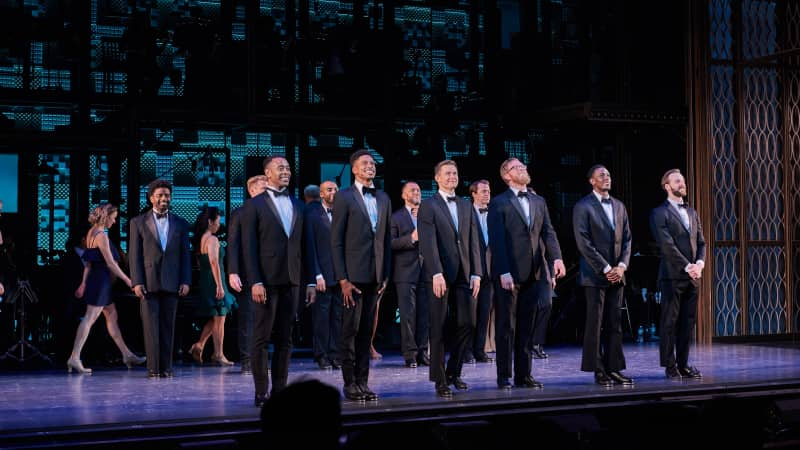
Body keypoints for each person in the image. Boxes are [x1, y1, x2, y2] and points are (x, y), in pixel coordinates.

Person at [488, 159, 564, 390]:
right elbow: (497, 240)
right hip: (509, 272)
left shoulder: (538, 201)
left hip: (535, 271)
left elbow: (548, 232)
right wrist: (503, 271)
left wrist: (556, 258)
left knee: (527, 326)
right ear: (506, 176)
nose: (523, 170)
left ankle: (524, 375)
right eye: (517, 168)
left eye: (524, 167)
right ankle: (504, 376)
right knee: (506, 326)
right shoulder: (499, 202)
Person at [242, 155, 305, 407]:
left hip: (292, 279)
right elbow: (249, 247)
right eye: (281, 168)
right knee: (261, 337)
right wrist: (255, 281)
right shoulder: (254, 205)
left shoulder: (297, 204)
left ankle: (280, 389)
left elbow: (304, 246)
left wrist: (310, 281)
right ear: (267, 173)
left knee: (285, 338)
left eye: (288, 168)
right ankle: (261, 390)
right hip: (265, 281)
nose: (286, 171)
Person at [330, 149, 391, 401]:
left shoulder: (383, 198)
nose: (370, 166)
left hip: (375, 276)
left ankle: (363, 381)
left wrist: (385, 274)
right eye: (365, 163)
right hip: (352, 278)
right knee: (350, 331)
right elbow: (336, 241)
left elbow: (386, 238)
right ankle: (350, 382)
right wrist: (342, 279)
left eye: (373, 163)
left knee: (367, 332)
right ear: (354, 169)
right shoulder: (344, 197)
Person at [418, 160, 482, 398]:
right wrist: (435, 272)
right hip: (440, 275)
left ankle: (454, 371)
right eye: (447, 173)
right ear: (437, 178)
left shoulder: (466, 205)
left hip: (464, 274)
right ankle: (440, 379)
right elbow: (427, 241)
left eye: (455, 173)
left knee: (469, 323)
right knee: (439, 327)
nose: (452, 177)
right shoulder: (428, 205)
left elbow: (474, 240)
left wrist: (477, 272)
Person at [573, 164, 633, 386]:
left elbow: (627, 239)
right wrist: (607, 268)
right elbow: (583, 242)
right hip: (595, 274)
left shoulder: (619, 205)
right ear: (592, 181)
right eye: (601, 175)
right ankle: (598, 369)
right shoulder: (583, 206)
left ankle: (614, 368)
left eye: (608, 174)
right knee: (595, 323)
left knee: (615, 323)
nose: (607, 177)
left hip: (618, 274)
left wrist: (622, 267)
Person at [68, 203, 145, 374]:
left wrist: (83, 283)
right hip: (100, 282)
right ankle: (74, 357)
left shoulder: (91, 233)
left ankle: (126, 354)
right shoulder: (101, 236)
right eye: (114, 217)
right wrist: (127, 280)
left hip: (97, 281)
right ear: (106, 216)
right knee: (89, 318)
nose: (115, 221)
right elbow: (110, 263)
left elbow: (88, 264)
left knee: (111, 315)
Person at [129, 180, 192, 378]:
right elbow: (134, 255)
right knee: (150, 327)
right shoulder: (138, 222)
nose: (164, 198)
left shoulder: (180, 223)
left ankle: (166, 368)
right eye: (160, 195)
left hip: (173, 281)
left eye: (167, 195)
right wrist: (137, 281)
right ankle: (153, 369)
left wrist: (186, 280)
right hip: (148, 281)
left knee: (168, 327)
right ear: (151, 198)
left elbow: (185, 255)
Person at [650, 169, 706, 379]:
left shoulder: (692, 212)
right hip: (672, 276)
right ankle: (670, 366)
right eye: (677, 181)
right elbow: (667, 245)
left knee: (687, 323)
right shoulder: (659, 213)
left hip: (693, 276)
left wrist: (699, 264)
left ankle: (683, 364)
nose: (682, 183)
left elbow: (702, 242)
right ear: (667, 186)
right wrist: (687, 266)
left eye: (682, 180)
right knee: (669, 322)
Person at [228, 175, 268, 374]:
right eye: (263, 188)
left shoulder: (272, 210)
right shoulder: (241, 213)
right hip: (248, 274)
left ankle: (262, 360)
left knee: (266, 320)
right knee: (248, 319)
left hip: (270, 274)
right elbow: (233, 244)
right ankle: (247, 361)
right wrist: (233, 271)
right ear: (252, 191)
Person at [188, 207, 236, 366]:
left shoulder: (201, 239)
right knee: (220, 317)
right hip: (215, 280)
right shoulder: (212, 240)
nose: (219, 225)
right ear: (210, 221)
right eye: (218, 221)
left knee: (216, 316)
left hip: (206, 280)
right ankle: (218, 354)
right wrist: (219, 286)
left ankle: (199, 344)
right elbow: (214, 262)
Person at [390, 181, 429, 368]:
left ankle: (423, 351)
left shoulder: (427, 215)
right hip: (405, 272)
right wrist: (411, 238)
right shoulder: (396, 217)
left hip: (427, 270)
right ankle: (410, 353)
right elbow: (390, 243)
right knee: (407, 315)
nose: (417, 192)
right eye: (412, 190)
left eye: (419, 190)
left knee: (425, 314)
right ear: (404, 195)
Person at [305, 180, 342, 370]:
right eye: (329, 190)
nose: (333, 192)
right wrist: (316, 275)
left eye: (336, 189)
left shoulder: (342, 212)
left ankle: (336, 354)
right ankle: (321, 355)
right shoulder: (312, 215)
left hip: (340, 275)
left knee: (338, 317)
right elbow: (310, 247)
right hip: (323, 274)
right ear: (321, 194)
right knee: (321, 318)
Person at [466, 179, 494, 364]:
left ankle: (479, 350)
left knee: (484, 313)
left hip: (490, 271)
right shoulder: (466, 213)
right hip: (471, 271)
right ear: (474, 194)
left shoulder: (494, 214)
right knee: (469, 314)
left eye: (488, 191)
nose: (487, 194)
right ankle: (466, 350)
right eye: (483, 191)